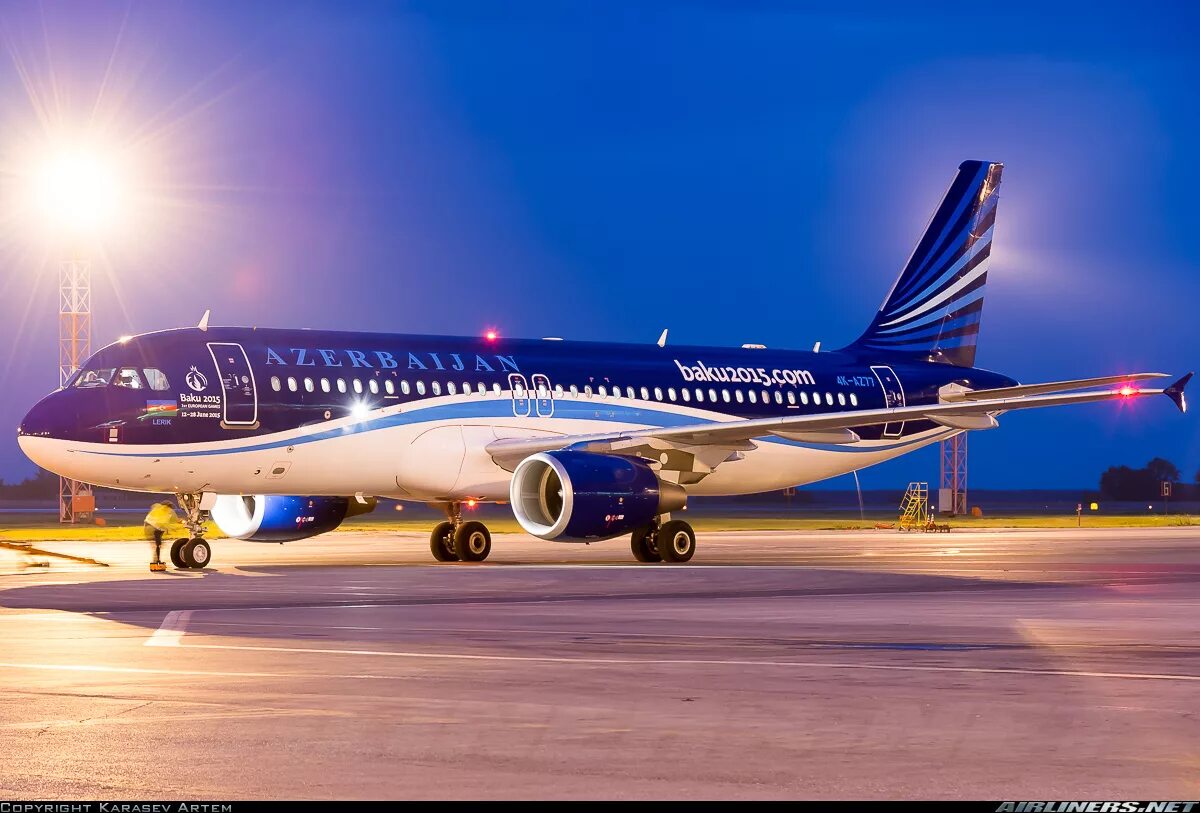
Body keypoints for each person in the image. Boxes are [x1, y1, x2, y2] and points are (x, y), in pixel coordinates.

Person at [144, 501, 178, 572]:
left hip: (147, 526)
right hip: (155, 528)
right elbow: (163, 524)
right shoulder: (167, 511)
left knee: (156, 546)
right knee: (158, 546)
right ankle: (156, 562)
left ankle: (156, 561)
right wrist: (173, 528)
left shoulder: (157, 507)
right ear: (169, 507)